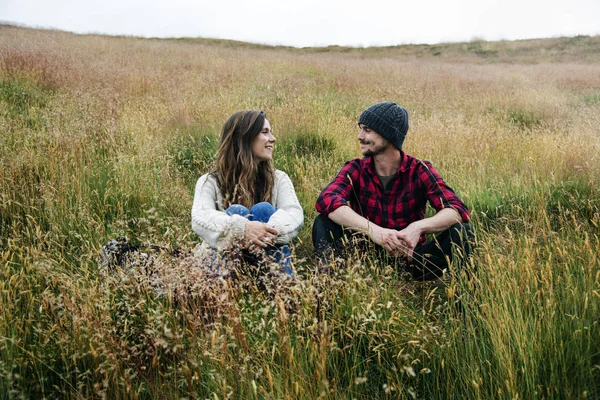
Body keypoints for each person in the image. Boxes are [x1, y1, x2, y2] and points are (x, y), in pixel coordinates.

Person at [313, 102, 473, 280]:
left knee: (464, 231)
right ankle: (330, 292)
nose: (359, 136)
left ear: (388, 135)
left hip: (412, 257)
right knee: (323, 222)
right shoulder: (356, 168)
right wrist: (375, 232)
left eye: (367, 130)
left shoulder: (419, 170)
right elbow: (327, 199)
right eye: (361, 129)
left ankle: (464, 305)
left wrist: (418, 228)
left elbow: (457, 209)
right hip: (365, 258)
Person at [191, 110, 304, 278]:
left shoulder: (279, 178)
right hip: (220, 261)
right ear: (245, 137)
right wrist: (242, 229)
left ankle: (283, 292)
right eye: (265, 132)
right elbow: (200, 217)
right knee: (237, 212)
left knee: (263, 210)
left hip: (267, 255)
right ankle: (227, 289)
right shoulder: (210, 181)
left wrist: (267, 231)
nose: (273, 139)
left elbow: (294, 213)